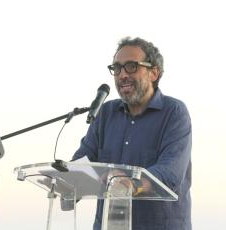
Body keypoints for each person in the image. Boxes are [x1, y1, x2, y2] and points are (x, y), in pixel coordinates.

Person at [72, 37, 192, 230]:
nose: (122, 75)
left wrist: (128, 182)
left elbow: (170, 172)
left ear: (154, 73)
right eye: (117, 68)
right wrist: (66, 179)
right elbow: (83, 160)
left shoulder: (174, 112)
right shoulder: (105, 113)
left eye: (131, 66)